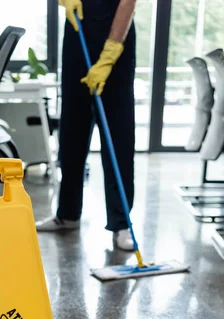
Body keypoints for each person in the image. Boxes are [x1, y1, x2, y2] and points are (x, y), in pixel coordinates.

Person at [36, 0, 137, 251]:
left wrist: (111, 51)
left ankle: (121, 223)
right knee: (71, 131)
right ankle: (67, 214)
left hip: (116, 39)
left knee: (118, 135)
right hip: (77, 31)